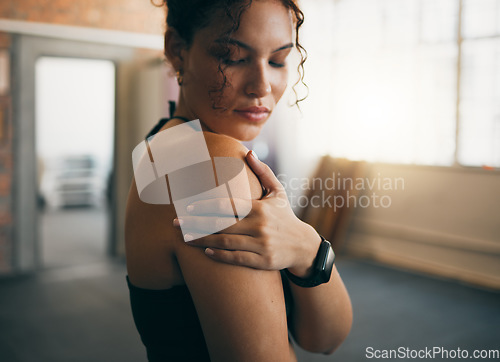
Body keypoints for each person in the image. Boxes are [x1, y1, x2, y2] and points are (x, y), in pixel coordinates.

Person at [125, 0, 353, 360]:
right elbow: (322, 342)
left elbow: (323, 337)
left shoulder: (167, 143)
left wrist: (309, 247)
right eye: (233, 56)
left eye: (278, 60)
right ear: (178, 50)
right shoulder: (208, 164)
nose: (262, 85)